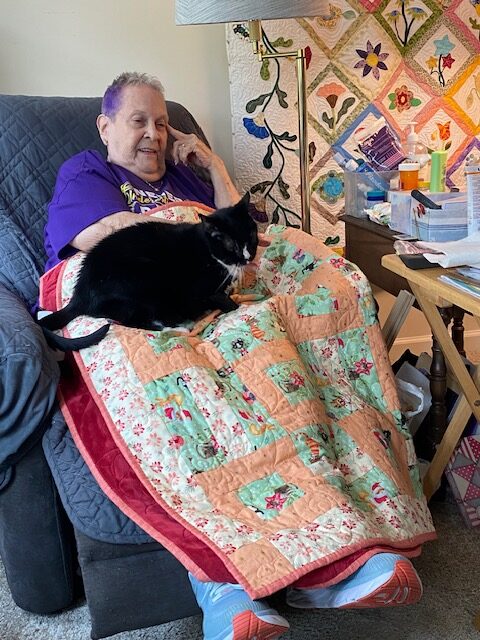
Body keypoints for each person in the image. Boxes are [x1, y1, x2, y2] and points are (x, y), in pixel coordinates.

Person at [44, 72, 425, 640]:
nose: (154, 134)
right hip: (138, 296)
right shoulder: (88, 171)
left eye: (163, 122)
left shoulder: (183, 174)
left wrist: (214, 167)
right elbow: (102, 237)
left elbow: (245, 232)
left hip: (218, 300)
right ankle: (224, 588)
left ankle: (335, 557)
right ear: (105, 126)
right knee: (180, 385)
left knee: (302, 348)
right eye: (138, 121)